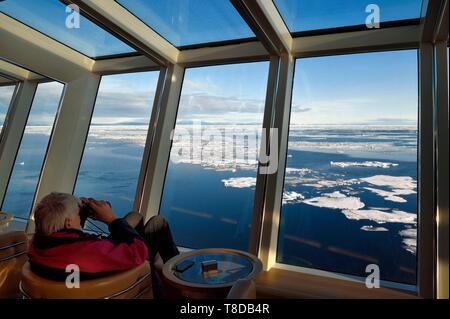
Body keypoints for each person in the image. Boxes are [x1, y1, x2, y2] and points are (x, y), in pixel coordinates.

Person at [28, 192, 179, 281]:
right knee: (158, 223)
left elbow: (71, 239)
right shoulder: (89, 252)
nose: (79, 214)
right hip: (122, 279)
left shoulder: (35, 245)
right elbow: (140, 251)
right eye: (77, 213)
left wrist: (81, 216)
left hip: (79, 270)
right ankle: (177, 277)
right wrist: (111, 219)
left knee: (135, 216)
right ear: (68, 223)